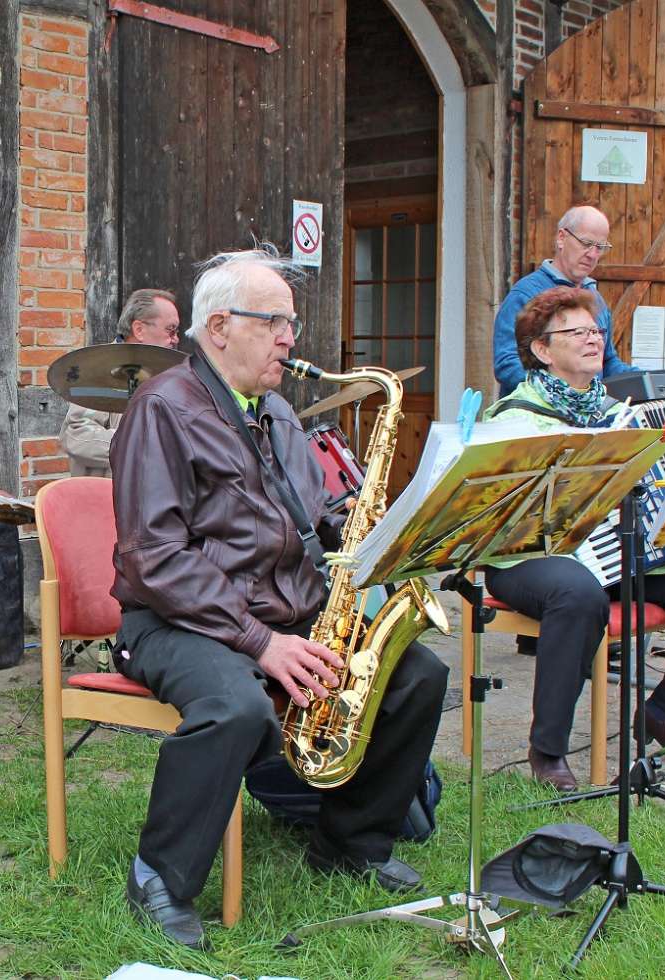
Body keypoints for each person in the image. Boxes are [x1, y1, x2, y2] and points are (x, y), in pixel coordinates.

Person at [108, 248, 447, 950]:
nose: (292, 338)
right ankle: (161, 878)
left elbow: (317, 517)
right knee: (236, 706)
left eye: (292, 322)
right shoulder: (162, 408)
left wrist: (388, 534)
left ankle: (350, 845)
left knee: (416, 676)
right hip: (174, 620)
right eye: (277, 322)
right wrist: (261, 643)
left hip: (285, 613)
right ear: (221, 326)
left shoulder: (277, 413)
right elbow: (155, 557)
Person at [482, 286, 665, 792]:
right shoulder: (515, 418)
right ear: (542, 350)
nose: (593, 339)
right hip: (531, 553)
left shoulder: (621, 414)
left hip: (616, 555)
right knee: (577, 592)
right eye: (577, 332)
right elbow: (510, 514)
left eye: (596, 330)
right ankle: (547, 750)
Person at [493, 205, 633, 398]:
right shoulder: (524, 295)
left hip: (585, 416)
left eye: (600, 247)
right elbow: (507, 364)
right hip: (534, 420)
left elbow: (607, 363)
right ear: (561, 238)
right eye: (586, 243)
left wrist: (650, 377)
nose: (592, 254)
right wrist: (562, 394)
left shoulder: (595, 300)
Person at [59, 288, 180, 477]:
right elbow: (77, 434)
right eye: (170, 330)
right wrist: (138, 444)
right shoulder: (102, 369)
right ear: (139, 329)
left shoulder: (169, 372)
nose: (176, 339)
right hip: (108, 497)